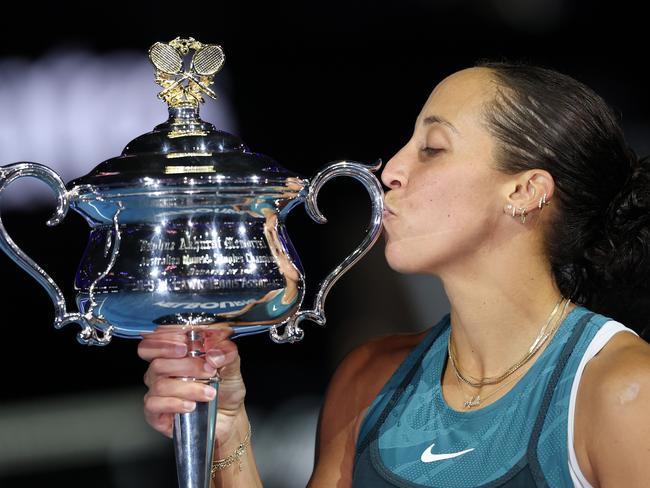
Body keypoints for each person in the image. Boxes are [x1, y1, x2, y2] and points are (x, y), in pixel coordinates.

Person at [138, 62, 650, 487]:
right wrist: (228, 430)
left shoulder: (624, 390)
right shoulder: (369, 380)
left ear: (523, 191)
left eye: (432, 148)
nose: (392, 170)